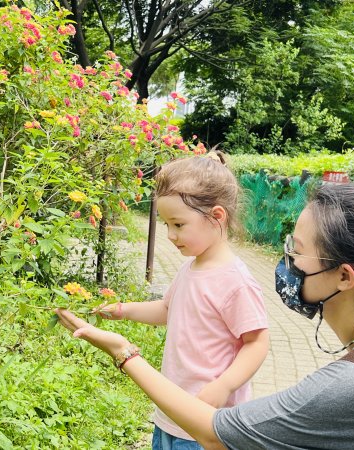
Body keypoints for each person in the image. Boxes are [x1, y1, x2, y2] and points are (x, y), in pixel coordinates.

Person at [57, 182, 354, 449]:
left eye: (296, 251)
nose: (287, 261)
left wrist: (124, 352)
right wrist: (121, 311)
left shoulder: (347, 387)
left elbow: (214, 432)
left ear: (345, 277)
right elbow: (167, 309)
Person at [94, 153, 269, 449]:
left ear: (217, 217)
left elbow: (257, 342)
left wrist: (223, 386)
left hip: (207, 422)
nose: (171, 236)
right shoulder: (191, 267)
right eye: (166, 225)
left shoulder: (235, 281)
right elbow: (166, 309)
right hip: (170, 415)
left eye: (178, 224)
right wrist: (122, 310)